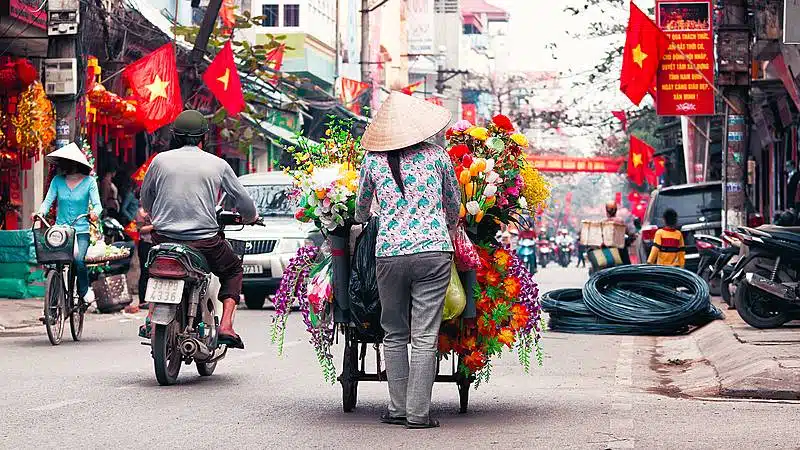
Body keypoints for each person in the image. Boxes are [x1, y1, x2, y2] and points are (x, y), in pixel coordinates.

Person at [355, 91, 459, 429]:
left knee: (394, 332)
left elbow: (360, 209)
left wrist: (373, 214)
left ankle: (398, 409)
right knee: (425, 336)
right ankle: (418, 415)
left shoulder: (372, 161)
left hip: (389, 253)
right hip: (433, 251)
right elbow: (452, 204)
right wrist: (450, 228)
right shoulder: (438, 156)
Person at [140, 110, 258, 349]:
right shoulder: (218, 164)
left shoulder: (159, 161)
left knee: (154, 268)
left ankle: (151, 316)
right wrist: (250, 217)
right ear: (204, 136)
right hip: (204, 242)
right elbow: (244, 203)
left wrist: (157, 215)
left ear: (175, 135)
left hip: (163, 238)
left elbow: (146, 198)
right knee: (233, 269)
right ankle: (226, 325)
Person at [36, 143, 102, 304]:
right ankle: (52, 305)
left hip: (81, 232)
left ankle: (84, 291)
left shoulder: (89, 182)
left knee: (79, 260)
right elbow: (47, 202)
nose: (63, 164)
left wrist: (94, 214)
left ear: (76, 163)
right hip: (61, 231)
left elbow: (98, 205)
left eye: (67, 161)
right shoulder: (57, 181)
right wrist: (40, 213)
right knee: (53, 263)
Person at [135, 206, 153, 308]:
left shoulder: (157, 208)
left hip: (154, 243)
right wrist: (154, 226)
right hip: (145, 243)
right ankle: (142, 301)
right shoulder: (141, 212)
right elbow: (140, 229)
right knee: (145, 271)